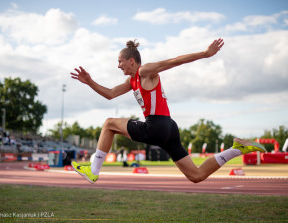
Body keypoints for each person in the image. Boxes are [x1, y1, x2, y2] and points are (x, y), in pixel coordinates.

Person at [70, 38, 266, 184]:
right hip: (169, 128)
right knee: (196, 175)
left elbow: (174, 61)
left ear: (132, 61)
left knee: (109, 124)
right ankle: (236, 149)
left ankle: (94, 170)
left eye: (120, 61)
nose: (118, 65)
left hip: (156, 126)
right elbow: (110, 94)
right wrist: (89, 82)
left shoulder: (145, 71)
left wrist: (205, 54)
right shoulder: (131, 81)